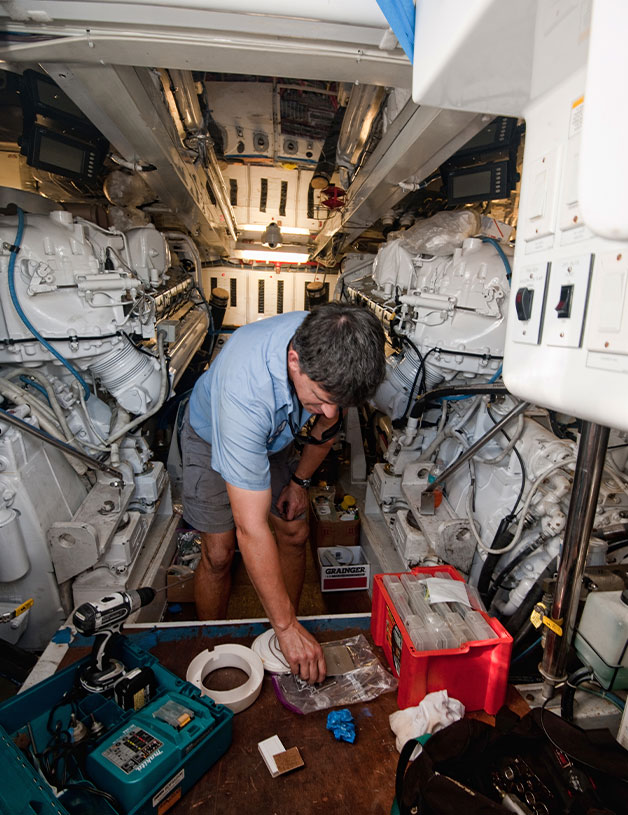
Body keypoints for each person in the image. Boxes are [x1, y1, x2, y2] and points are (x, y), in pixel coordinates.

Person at [180, 301, 386, 683]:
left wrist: (299, 481)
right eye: (321, 398)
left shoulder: (328, 346)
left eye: (338, 403)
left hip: (274, 437)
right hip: (213, 437)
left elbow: (327, 427)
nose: (327, 412)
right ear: (294, 361)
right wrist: (288, 627)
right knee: (221, 552)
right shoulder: (246, 390)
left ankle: (282, 634)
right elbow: (251, 528)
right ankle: (211, 644)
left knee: (294, 529)